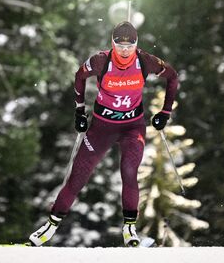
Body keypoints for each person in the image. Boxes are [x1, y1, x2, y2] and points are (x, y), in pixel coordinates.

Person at [29, 21, 178, 247]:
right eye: (120, 46)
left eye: (130, 46)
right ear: (113, 44)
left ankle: (129, 229)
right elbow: (79, 77)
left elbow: (173, 77)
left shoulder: (145, 60)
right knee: (78, 176)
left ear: (136, 44)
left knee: (129, 170)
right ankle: (50, 226)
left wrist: (165, 112)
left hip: (132, 127)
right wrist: (80, 111)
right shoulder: (101, 60)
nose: (125, 50)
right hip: (101, 127)